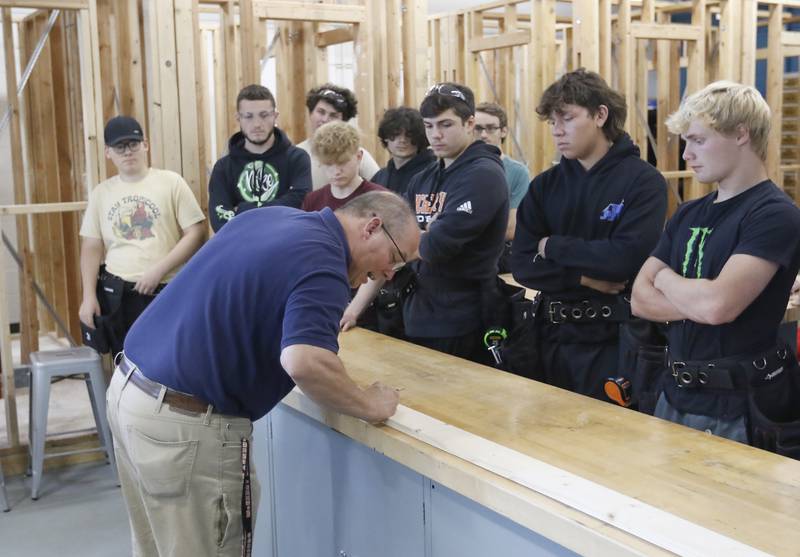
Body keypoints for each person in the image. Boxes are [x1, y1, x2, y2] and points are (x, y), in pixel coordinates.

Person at [107, 191, 420, 556]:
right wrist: (371, 404)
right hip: (184, 429)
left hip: (130, 393)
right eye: (394, 259)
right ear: (371, 226)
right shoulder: (325, 263)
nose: (387, 274)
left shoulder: (270, 218)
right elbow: (304, 361)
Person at [631, 80, 800, 457]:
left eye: (698, 140)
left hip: (737, 404)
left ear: (741, 134)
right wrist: (700, 299)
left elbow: (717, 307)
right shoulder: (689, 212)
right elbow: (640, 300)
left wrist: (664, 277)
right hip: (672, 392)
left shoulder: (774, 215)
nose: (687, 154)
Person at [511, 69, 667, 400]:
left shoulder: (643, 182)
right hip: (549, 337)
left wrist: (553, 245)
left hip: (614, 340)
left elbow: (624, 260)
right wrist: (583, 278)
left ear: (600, 115)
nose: (557, 131)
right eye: (552, 122)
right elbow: (523, 265)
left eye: (566, 119)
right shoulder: (545, 186)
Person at [343, 83, 508, 364]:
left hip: (462, 317)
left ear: (469, 123)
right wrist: (353, 310)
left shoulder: (483, 175)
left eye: (446, 124)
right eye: (429, 126)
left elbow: (435, 246)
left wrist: (417, 237)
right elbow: (390, 243)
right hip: (417, 311)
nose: (436, 135)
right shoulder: (424, 177)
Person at [78, 115, 206, 357]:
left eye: (133, 144)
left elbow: (196, 232)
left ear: (145, 145)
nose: (128, 152)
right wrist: (88, 296)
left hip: (166, 288)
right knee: (124, 361)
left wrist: (159, 270)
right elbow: (91, 246)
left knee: (168, 359)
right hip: (118, 294)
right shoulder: (101, 194)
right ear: (108, 152)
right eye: (120, 147)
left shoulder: (171, 183)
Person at [208, 84, 311, 232]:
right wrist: (279, 206)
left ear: (275, 116)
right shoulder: (223, 167)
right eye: (248, 116)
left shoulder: (297, 158)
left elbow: (301, 203)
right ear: (238, 118)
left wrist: (242, 209)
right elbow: (220, 219)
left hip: (286, 245)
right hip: (242, 248)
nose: (257, 124)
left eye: (264, 115)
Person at [296, 83, 380, 189]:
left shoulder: (356, 155)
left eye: (333, 115)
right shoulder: (297, 154)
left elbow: (380, 192)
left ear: (343, 121)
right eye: (321, 112)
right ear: (310, 113)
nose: (325, 119)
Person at [474, 101, 530, 241]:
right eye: (478, 128)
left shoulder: (518, 172)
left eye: (491, 128)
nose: (484, 135)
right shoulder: (459, 168)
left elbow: (511, 229)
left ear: (504, 131)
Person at [302, 121, 386, 212]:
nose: (336, 171)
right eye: (329, 164)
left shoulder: (381, 200)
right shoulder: (311, 202)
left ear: (359, 157)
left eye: (342, 162)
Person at [371, 107, 435, 196]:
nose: (402, 140)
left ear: (420, 137)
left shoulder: (432, 173)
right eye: (395, 134)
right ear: (386, 138)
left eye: (409, 135)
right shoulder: (380, 177)